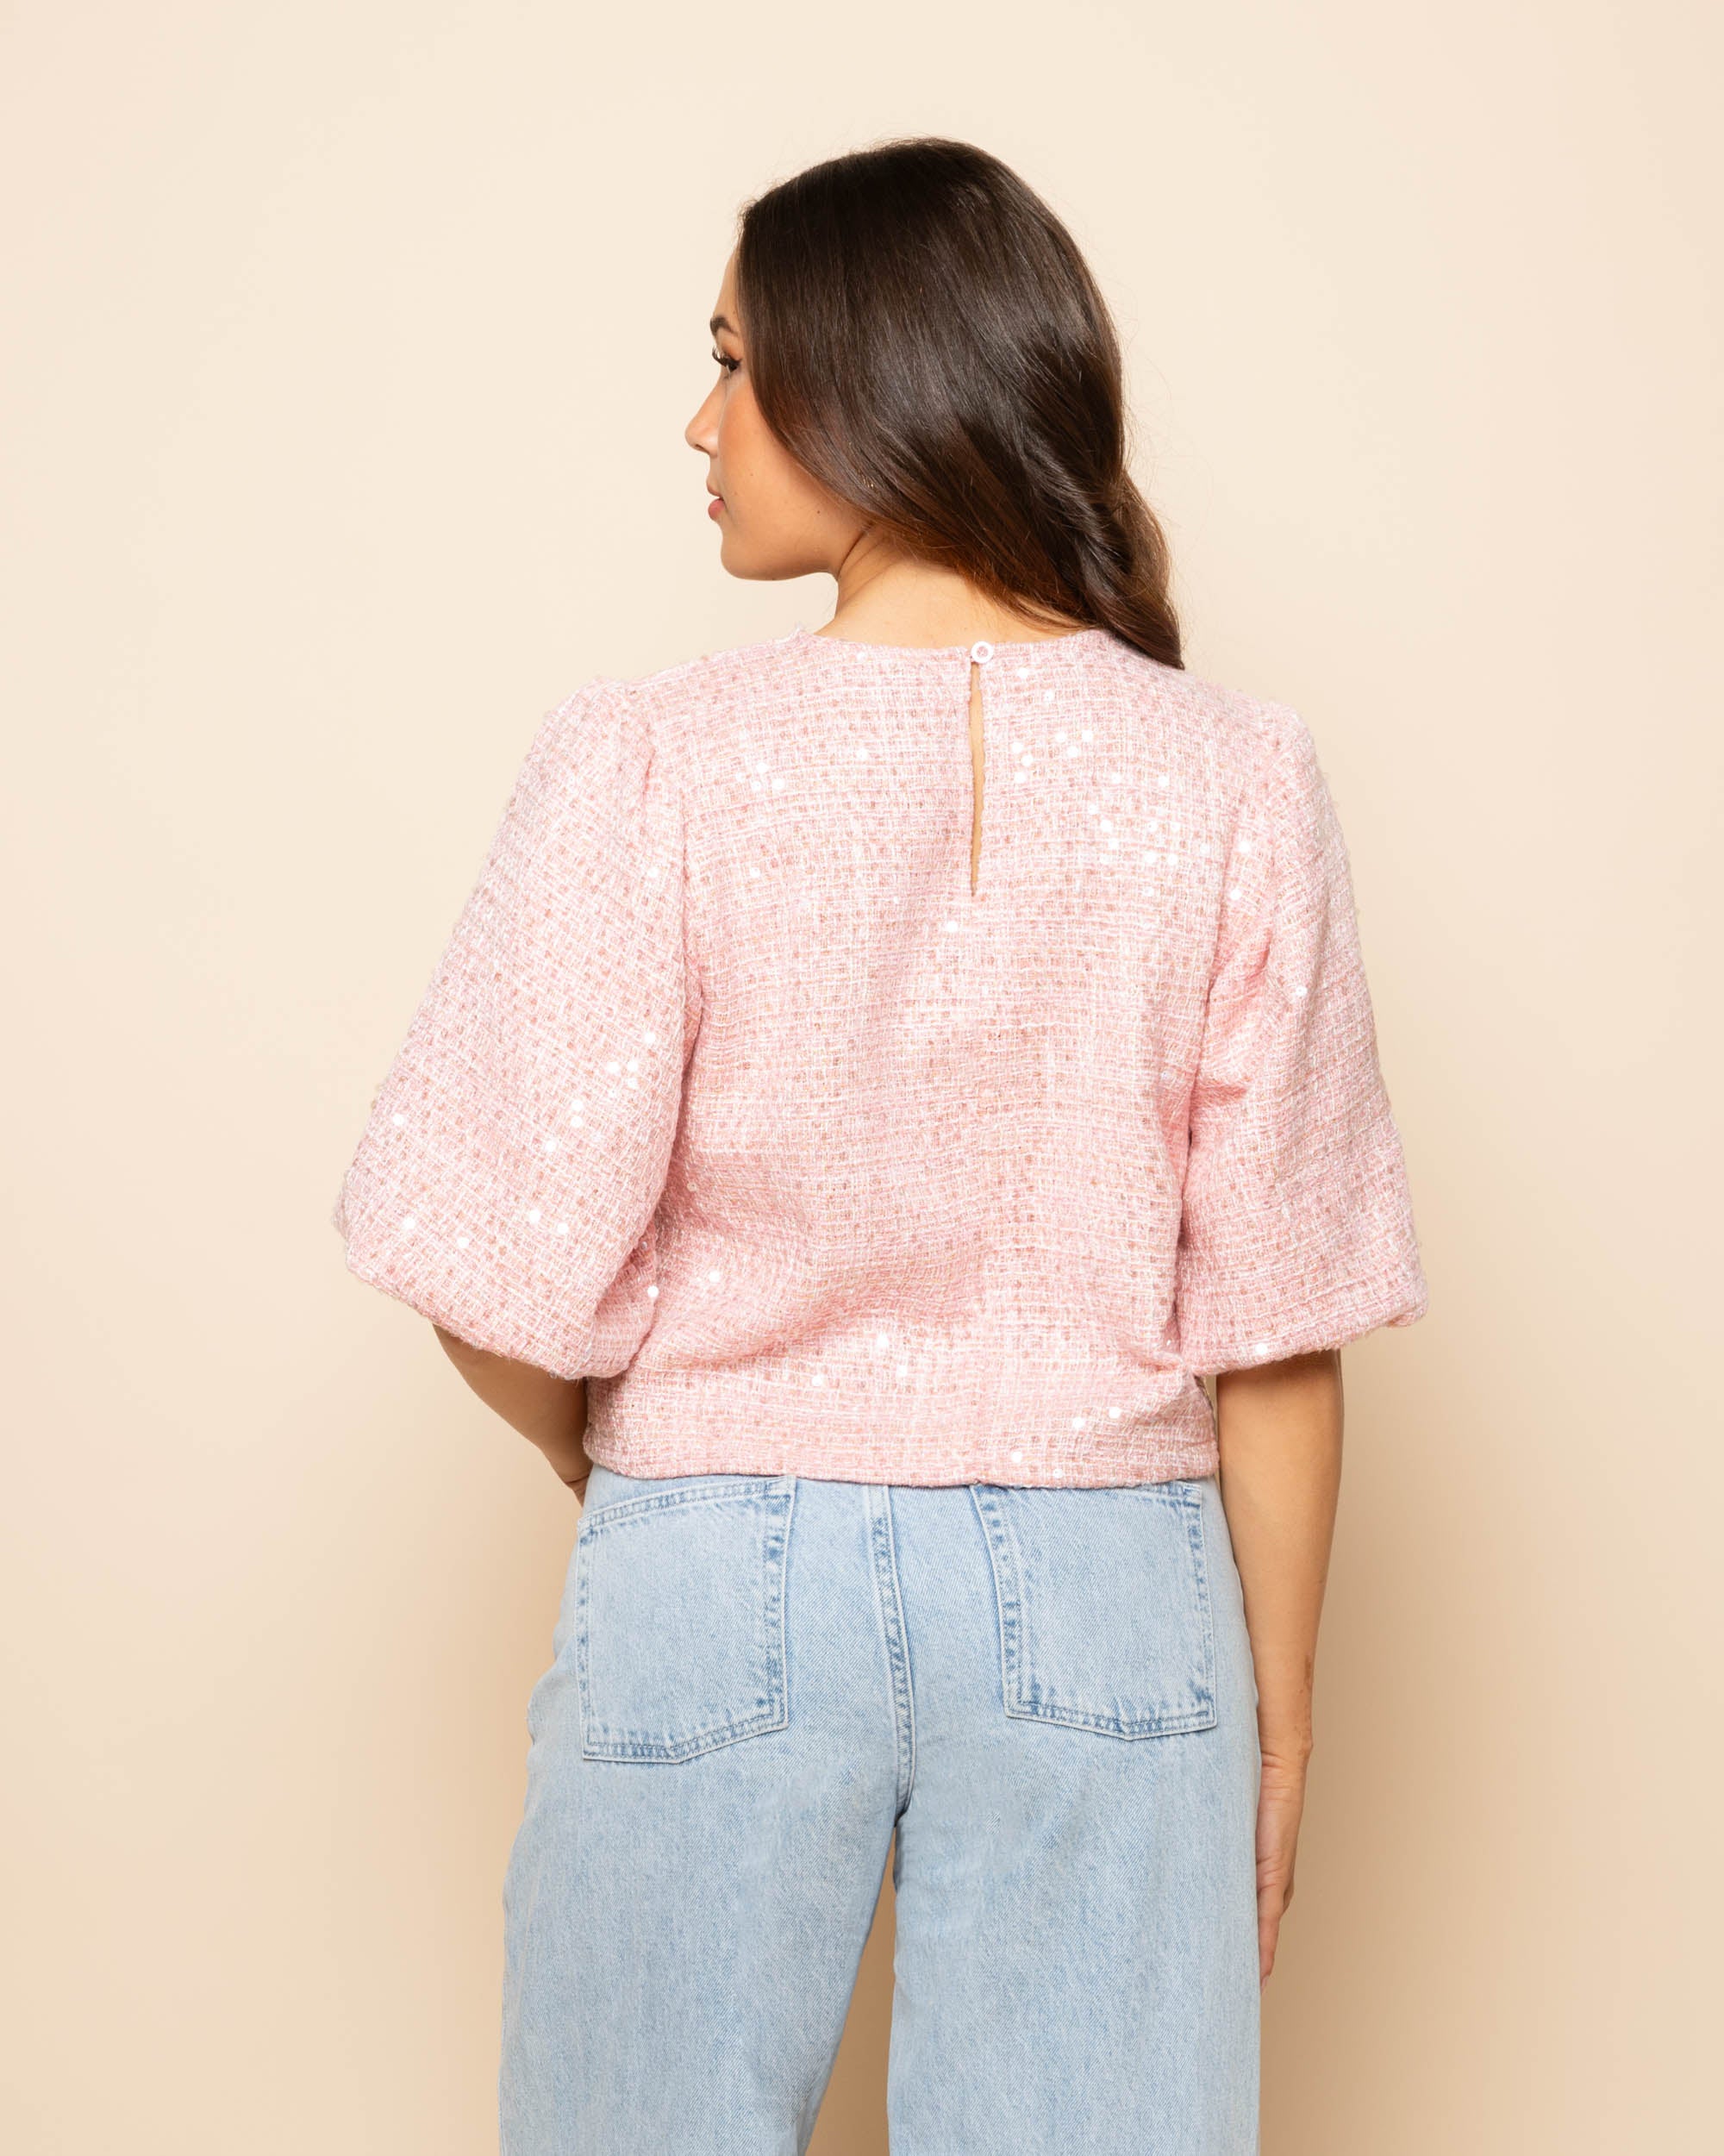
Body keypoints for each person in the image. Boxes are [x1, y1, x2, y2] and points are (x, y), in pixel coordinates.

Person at [332, 135, 1427, 2156]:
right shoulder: (1236, 777)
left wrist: (646, 1453)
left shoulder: (649, 760)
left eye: (734, 362)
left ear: (870, 379)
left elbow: (485, 1278)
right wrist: (1279, 1719)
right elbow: (1278, 1324)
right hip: (1113, 1579)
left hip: (714, 1554)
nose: (702, 422)